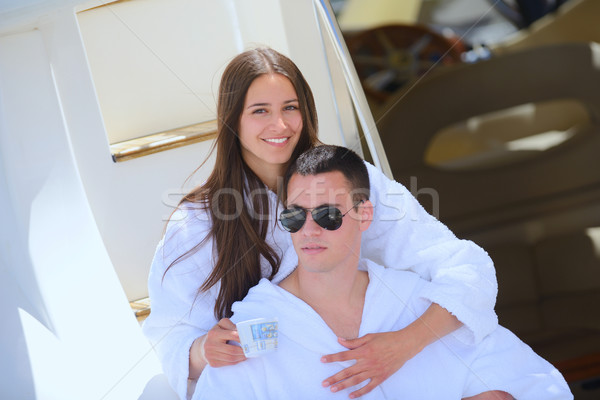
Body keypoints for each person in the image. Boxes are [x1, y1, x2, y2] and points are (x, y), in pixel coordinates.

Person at [142, 47, 498, 400]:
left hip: (365, 376)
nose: (279, 125)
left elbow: (466, 268)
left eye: (290, 108)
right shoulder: (197, 225)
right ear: (232, 120)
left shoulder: (356, 184)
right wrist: (203, 351)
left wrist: (405, 343)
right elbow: (168, 335)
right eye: (260, 111)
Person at [195, 145, 573, 400]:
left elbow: (531, 383)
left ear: (364, 214)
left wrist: (408, 343)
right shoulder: (255, 328)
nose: (309, 230)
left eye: (327, 214)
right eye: (295, 216)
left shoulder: (416, 304)